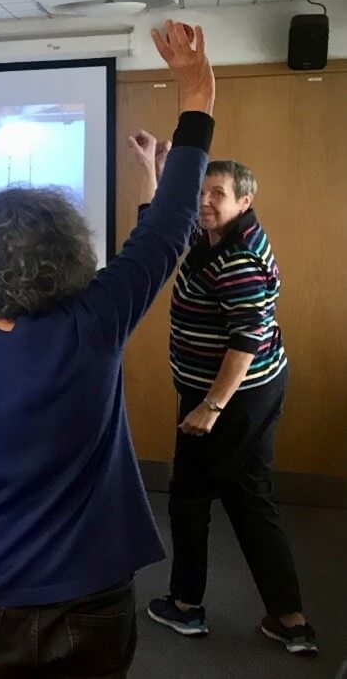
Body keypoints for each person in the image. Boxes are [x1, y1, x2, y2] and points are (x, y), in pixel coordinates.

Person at [0, 21, 213, 679]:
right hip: (92, 604)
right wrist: (197, 91)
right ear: (69, 253)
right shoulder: (95, 323)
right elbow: (171, 221)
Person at [143, 154, 316, 652]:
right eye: (201, 191)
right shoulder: (216, 237)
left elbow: (244, 342)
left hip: (229, 399)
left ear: (244, 200)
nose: (204, 201)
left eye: (216, 193)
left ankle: (186, 606)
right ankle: (290, 619)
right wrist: (153, 167)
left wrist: (211, 407)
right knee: (250, 497)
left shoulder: (237, 256)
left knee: (189, 498)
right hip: (253, 391)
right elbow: (160, 222)